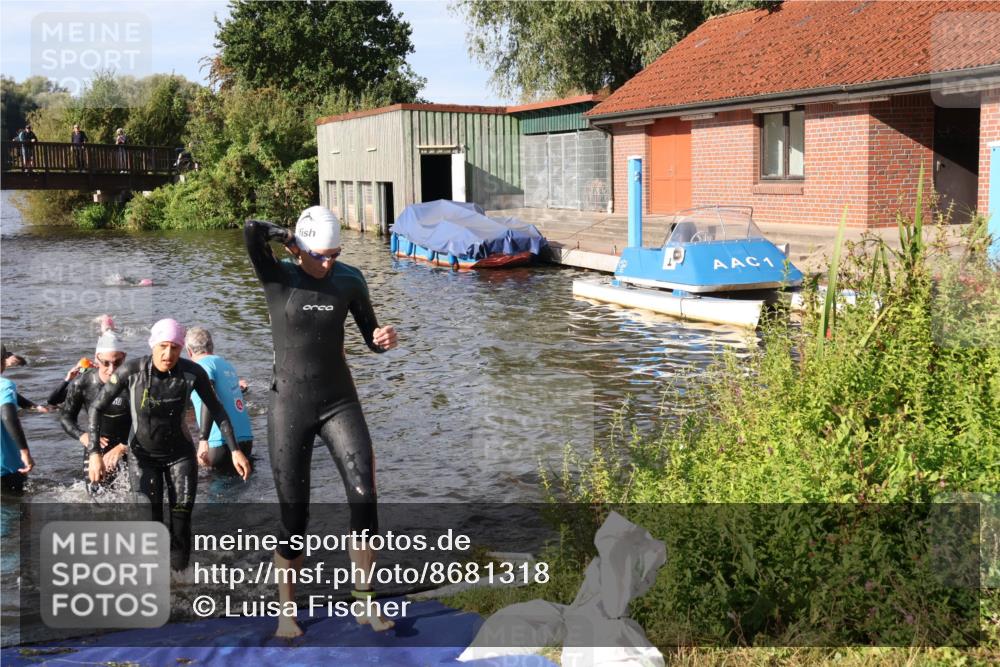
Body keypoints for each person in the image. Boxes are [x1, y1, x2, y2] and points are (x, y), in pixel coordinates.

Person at [245, 206, 398, 638]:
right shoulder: (278, 277)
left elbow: (371, 337)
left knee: (365, 495)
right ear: (300, 248)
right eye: (321, 255)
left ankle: (364, 601)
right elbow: (252, 230)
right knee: (295, 518)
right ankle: (287, 612)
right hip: (289, 405)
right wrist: (289, 239)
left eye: (335, 254)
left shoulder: (350, 279)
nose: (329, 263)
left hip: (338, 401)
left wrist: (382, 340)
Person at [87, 319, 252, 571]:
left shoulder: (192, 372)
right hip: (142, 457)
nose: (168, 354)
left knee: (181, 520)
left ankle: (179, 579)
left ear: (182, 348)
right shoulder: (131, 371)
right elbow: (96, 408)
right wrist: (94, 453)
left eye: (175, 347)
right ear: (152, 345)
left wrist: (235, 450)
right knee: (149, 522)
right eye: (163, 346)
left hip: (180, 457)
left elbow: (217, 409)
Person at [60, 329, 132, 494]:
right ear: (96, 359)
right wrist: (83, 436)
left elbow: (147, 422)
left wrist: (123, 447)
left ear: (124, 358)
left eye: (117, 363)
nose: (111, 369)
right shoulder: (82, 383)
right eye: (106, 363)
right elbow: (66, 417)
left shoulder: (134, 383)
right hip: (96, 444)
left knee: (136, 497)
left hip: (130, 443)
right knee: (96, 496)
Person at [184, 327, 253, 473]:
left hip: (220, 442)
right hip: (246, 439)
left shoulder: (201, 366)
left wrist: (203, 439)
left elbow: (209, 398)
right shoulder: (227, 365)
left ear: (189, 351)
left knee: (213, 485)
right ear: (212, 345)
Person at [1, 345, 35, 496]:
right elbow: (8, 416)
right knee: (16, 507)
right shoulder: (4, 385)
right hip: (7, 468)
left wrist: (34, 406)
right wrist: (25, 452)